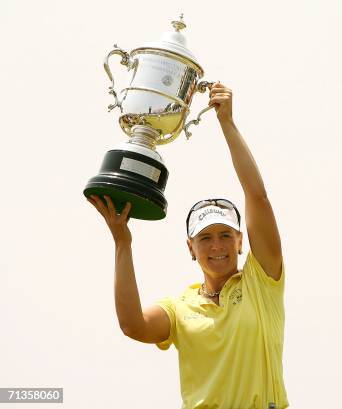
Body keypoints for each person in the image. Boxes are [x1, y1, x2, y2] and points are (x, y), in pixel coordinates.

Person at [87, 82, 289, 409]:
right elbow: (133, 325)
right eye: (205, 238)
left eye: (225, 235)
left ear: (241, 242)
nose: (217, 245)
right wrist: (123, 244)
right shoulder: (180, 307)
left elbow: (257, 197)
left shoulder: (261, 284)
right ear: (191, 248)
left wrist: (227, 123)